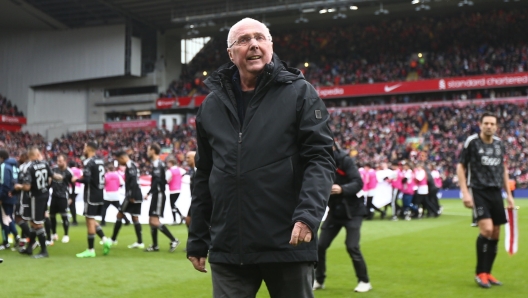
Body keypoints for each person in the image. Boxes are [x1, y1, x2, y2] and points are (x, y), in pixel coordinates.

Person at [186, 18, 335, 298]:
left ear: (270, 46)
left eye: (260, 38)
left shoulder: (299, 92)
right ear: (231, 54)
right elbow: (204, 174)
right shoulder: (211, 106)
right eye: (243, 40)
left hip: (287, 241)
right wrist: (197, 239)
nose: (253, 44)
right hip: (229, 248)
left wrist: (308, 215)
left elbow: (320, 159)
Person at [456, 112, 515, 288]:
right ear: (480, 124)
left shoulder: (499, 144)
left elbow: (503, 169)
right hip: (479, 190)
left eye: (492, 124)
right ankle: (479, 272)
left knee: (496, 233)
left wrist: (509, 195)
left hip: (496, 192)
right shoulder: (472, 142)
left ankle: (488, 273)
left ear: (496, 126)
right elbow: (461, 166)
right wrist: (465, 193)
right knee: (487, 229)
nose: (489, 126)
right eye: (486, 123)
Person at [314, 146, 372, 293]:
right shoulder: (319, 161)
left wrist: (342, 189)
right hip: (335, 211)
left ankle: (364, 281)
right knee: (320, 246)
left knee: (352, 246)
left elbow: (358, 183)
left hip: (353, 211)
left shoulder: (345, 160)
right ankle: (319, 280)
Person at [75, 142, 113, 258]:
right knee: (91, 219)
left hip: (91, 194)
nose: (83, 149)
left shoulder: (89, 162)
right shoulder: (100, 160)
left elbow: (86, 180)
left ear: (89, 149)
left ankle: (91, 250)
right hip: (99, 193)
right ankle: (105, 239)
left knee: (89, 221)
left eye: (85, 147)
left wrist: (75, 179)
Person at [18, 147, 56, 258]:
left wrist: (19, 186)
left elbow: (27, 187)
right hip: (44, 194)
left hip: (36, 197)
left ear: (30, 156)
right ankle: (30, 248)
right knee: (33, 223)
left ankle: (44, 251)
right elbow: (52, 177)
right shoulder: (45, 164)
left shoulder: (29, 167)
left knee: (37, 223)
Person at [144, 143, 180, 252]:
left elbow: (158, 182)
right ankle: (155, 245)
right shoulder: (156, 164)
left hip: (159, 195)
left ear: (153, 151)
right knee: (151, 220)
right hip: (156, 194)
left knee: (155, 221)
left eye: (148, 149)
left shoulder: (158, 164)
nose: (147, 152)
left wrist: (149, 193)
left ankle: (174, 240)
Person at [111, 150, 144, 249]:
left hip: (132, 196)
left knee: (120, 214)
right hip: (136, 195)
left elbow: (133, 181)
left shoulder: (130, 166)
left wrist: (131, 196)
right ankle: (140, 242)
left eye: (118, 160)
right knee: (135, 218)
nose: (119, 162)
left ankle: (113, 239)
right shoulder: (133, 165)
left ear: (122, 158)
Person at [49, 154, 75, 243]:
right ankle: (54, 234)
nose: (58, 162)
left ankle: (66, 235)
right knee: (52, 216)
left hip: (63, 196)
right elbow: (50, 182)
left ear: (65, 161)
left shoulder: (68, 172)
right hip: (54, 196)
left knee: (64, 216)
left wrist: (71, 197)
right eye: (58, 161)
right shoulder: (54, 170)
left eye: (60, 161)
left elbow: (73, 185)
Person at [0, 149, 20, 250]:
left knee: (5, 218)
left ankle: (6, 242)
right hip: (13, 195)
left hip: (6, 196)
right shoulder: (14, 165)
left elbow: (5, 183)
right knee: (9, 217)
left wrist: (1, 197)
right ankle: (15, 238)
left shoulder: (4, 166)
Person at [166, 157, 186, 225]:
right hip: (179, 189)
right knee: (173, 204)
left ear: (171, 163)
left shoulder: (169, 171)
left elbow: (167, 179)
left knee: (172, 205)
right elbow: (184, 173)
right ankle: (180, 216)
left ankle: (177, 218)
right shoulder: (179, 169)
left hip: (172, 190)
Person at [184, 151, 196, 229]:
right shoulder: (193, 171)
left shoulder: (199, 171)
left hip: (199, 200)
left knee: (189, 220)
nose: (186, 160)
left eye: (188, 157)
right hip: (194, 200)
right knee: (188, 220)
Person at [69, 161, 82, 226]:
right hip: (78, 188)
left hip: (71, 188)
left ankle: (74, 220)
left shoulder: (69, 170)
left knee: (72, 204)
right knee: (71, 203)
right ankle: (73, 219)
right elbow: (82, 177)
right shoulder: (79, 170)